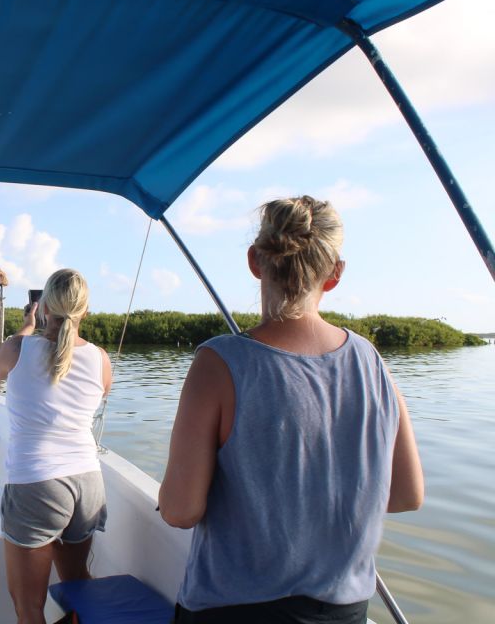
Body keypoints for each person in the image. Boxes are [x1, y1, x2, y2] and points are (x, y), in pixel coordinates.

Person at [158, 196, 424, 624]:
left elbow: (179, 511)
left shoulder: (218, 363)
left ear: (255, 261)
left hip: (234, 612)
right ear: (335, 274)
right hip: (344, 611)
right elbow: (406, 494)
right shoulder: (371, 361)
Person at [0, 268, 113, 624]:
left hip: (36, 484)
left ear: (43, 307)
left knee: (29, 607)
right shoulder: (102, 359)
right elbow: (99, 390)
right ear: (85, 311)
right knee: (77, 587)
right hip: (87, 484)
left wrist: (27, 325)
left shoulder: (17, 348)